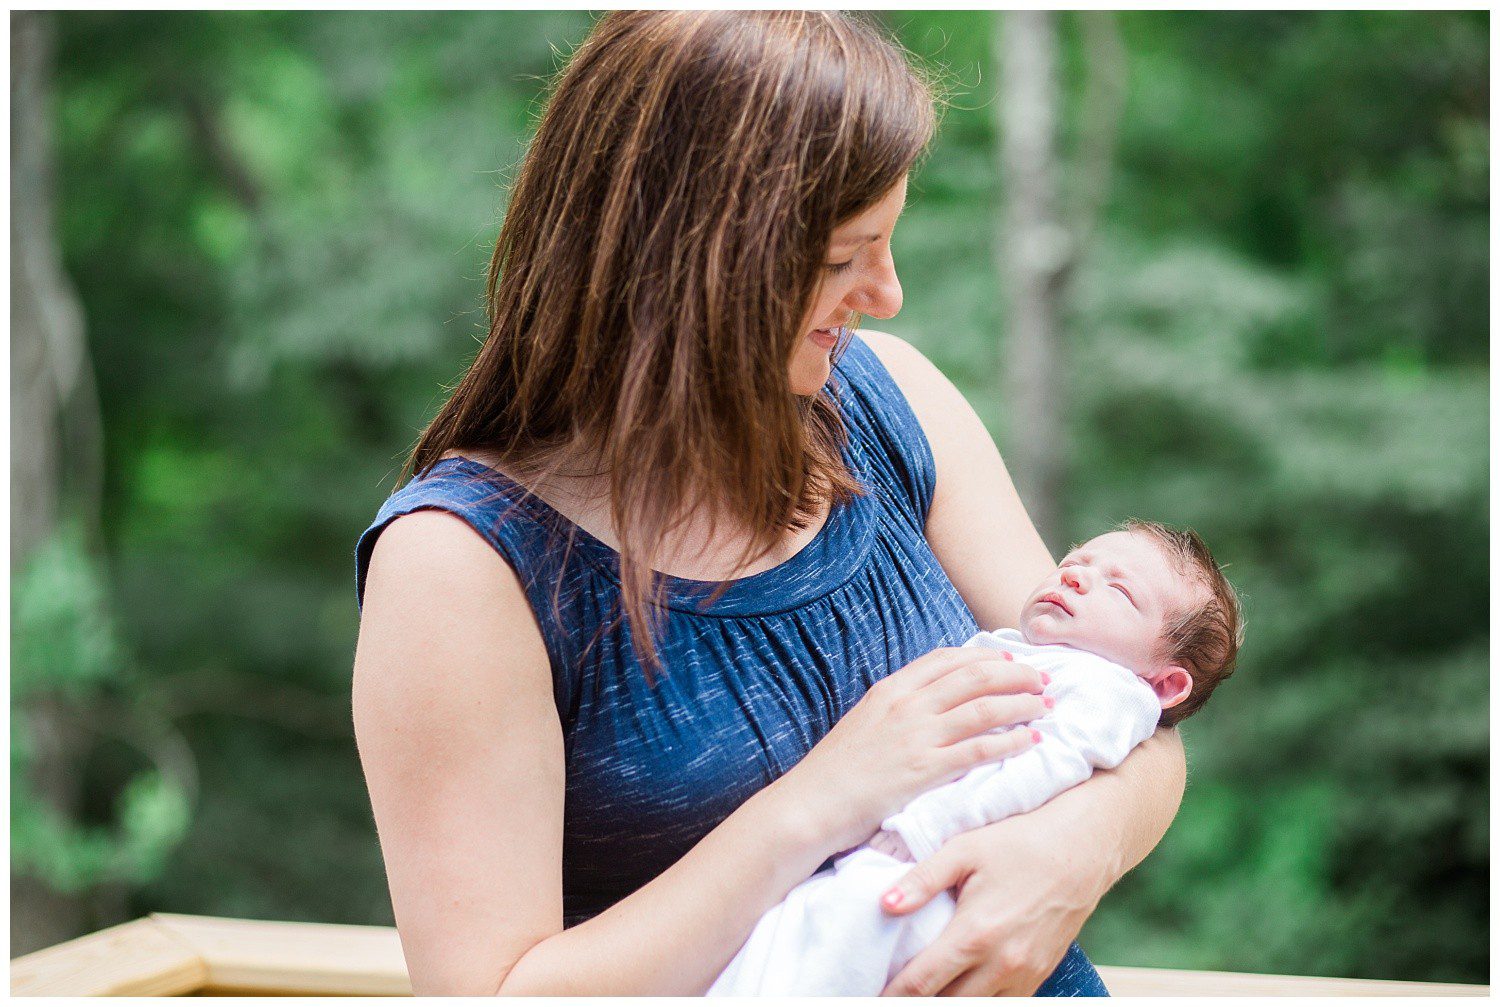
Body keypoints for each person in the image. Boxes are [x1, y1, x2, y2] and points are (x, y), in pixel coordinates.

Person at [351, 11, 1186, 996]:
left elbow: (1140, 715)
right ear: (695, 259)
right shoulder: (464, 566)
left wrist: (1070, 853)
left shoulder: (896, 401)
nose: (888, 293)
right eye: (846, 257)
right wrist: (825, 799)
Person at [709, 522, 1242, 995]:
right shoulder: (1020, 649)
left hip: (947, 875)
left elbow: (1042, 767)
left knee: (837, 941)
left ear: (1165, 683)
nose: (1076, 577)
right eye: (1074, 562)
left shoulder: (1109, 690)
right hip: (896, 864)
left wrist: (927, 828)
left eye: (1120, 591)